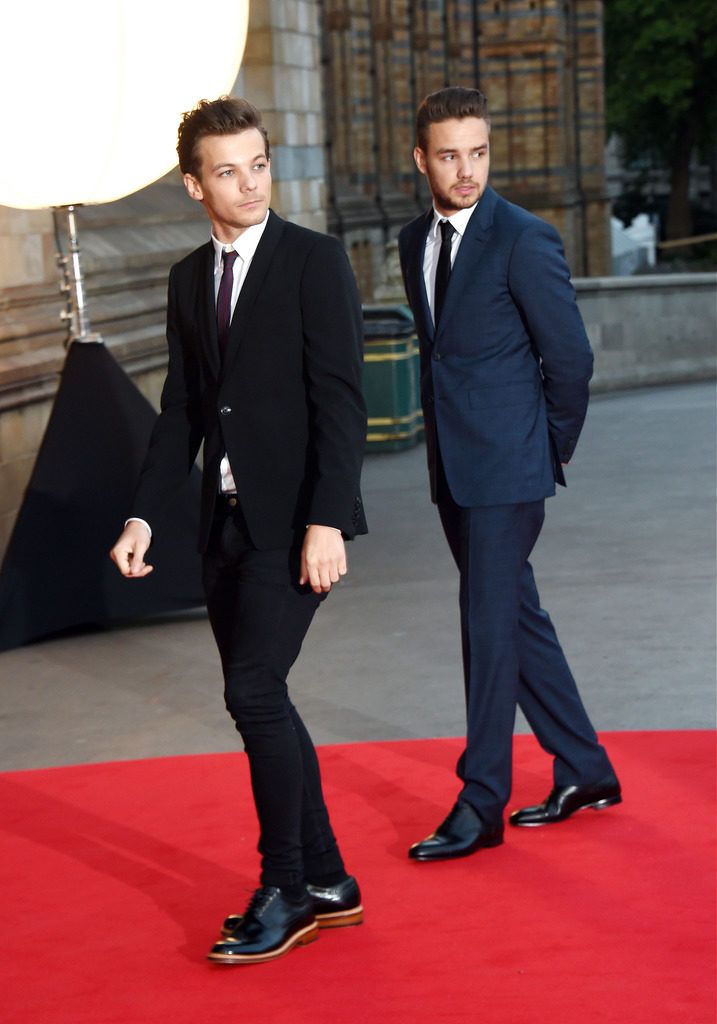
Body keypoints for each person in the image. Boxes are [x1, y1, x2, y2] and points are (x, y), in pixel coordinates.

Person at [110, 96, 367, 962]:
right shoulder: (188, 277)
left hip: (297, 524)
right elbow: (182, 408)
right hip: (220, 521)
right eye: (228, 170)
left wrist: (327, 518)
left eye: (259, 164)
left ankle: (285, 887)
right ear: (195, 185)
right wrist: (145, 509)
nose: (250, 182)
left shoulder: (313, 261)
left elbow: (340, 402)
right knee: (266, 698)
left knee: (252, 694)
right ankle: (329, 876)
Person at [398, 86, 621, 862]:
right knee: (516, 619)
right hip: (453, 469)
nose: (467, 170)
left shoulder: (524, 237)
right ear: (420, 159)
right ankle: (585, 768)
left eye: (479, 152)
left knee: (485, 629)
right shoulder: (410, 241)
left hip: (508, 470)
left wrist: (543, 449)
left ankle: (480, 799)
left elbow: (570, 359)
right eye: (450, 155)